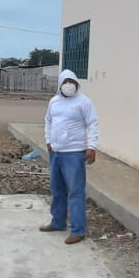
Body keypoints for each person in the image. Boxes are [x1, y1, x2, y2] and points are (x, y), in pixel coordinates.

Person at [39, 69, 99, 245]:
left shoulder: (84, 102)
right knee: (57, 190)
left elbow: (93, 124)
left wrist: (92, 147)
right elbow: (48, 121)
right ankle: (58, 222)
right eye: (65, 82)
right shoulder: (54, 101)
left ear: (77, 84)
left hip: (74, 153)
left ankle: (78, 230)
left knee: (75, 191)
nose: (68, 85)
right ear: (60, 85)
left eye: (71, 82)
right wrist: (48, 141)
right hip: (56, 153)